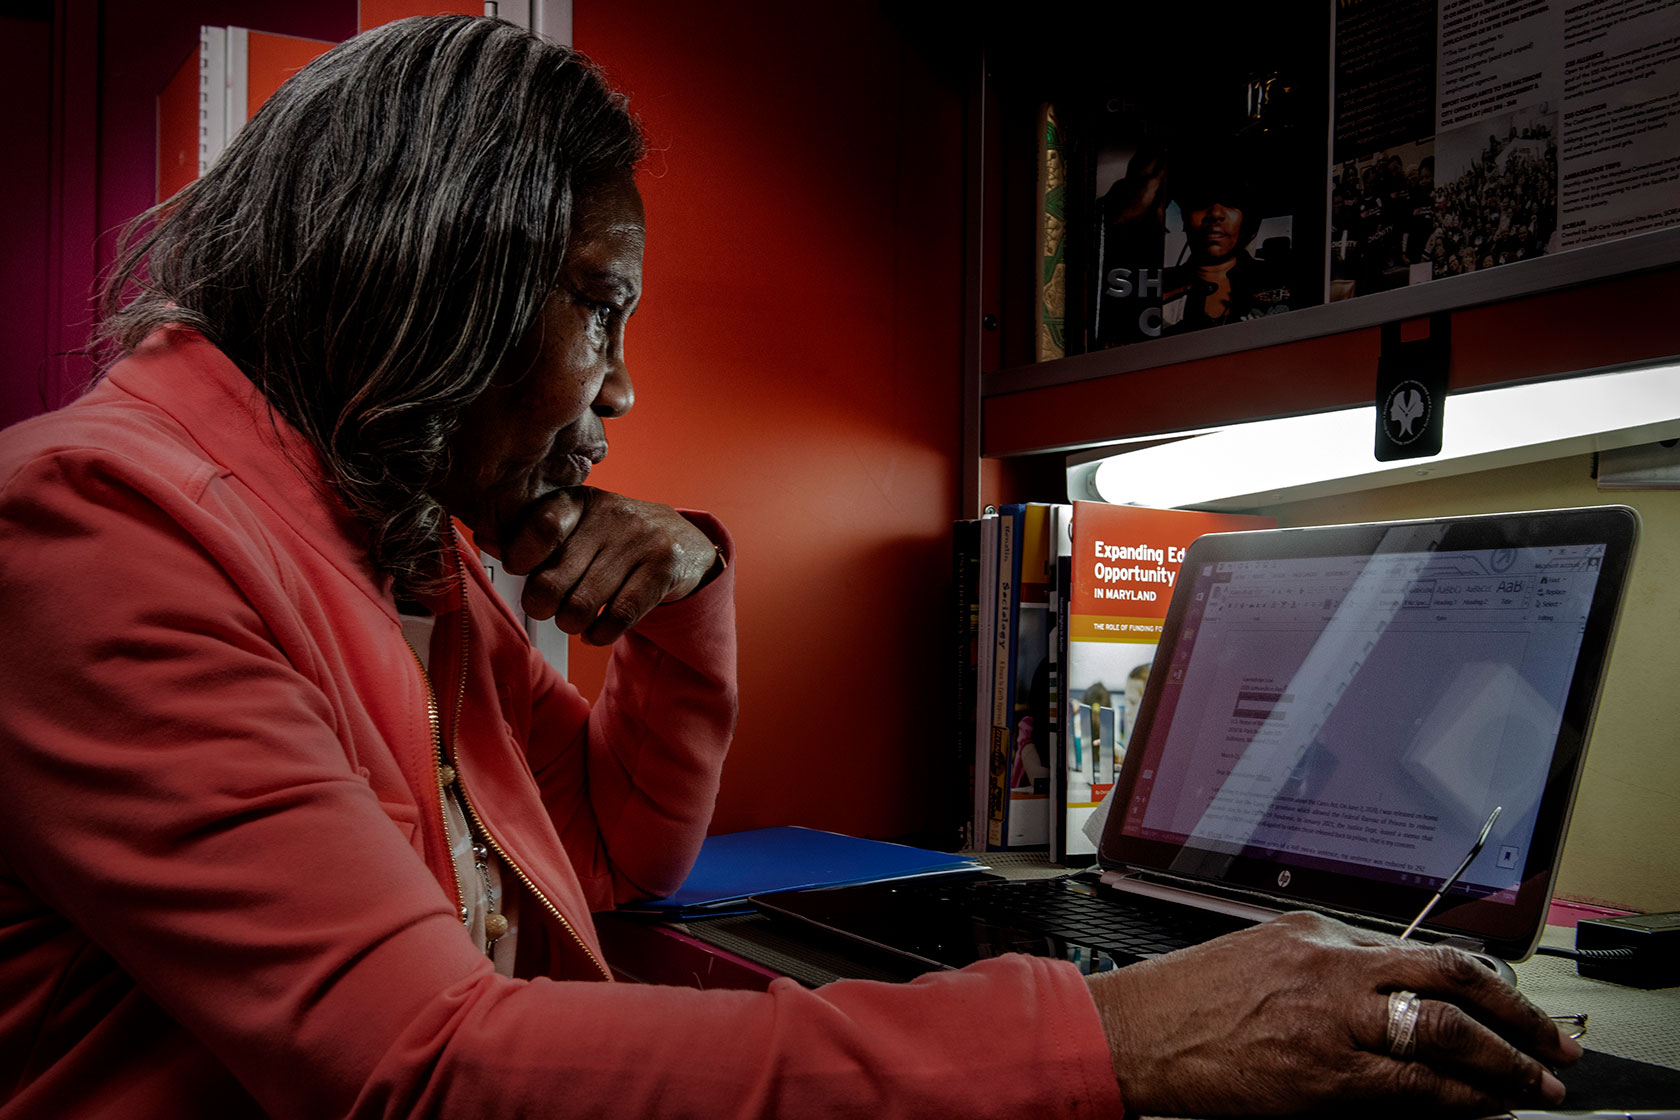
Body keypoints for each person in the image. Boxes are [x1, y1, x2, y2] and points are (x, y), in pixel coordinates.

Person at [0, 15, 1581, 1119]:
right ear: (437, 281)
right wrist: (1113, 1036)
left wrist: (690, 591)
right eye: (599, 309)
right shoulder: (102, 527)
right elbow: (423, 1071)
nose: (621, 394)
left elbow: (622, 850)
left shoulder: (395, 547)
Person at [1159, 147, 1292, 334]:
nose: (1215, 214)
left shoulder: (1280, 280)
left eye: (1230, 203)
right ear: (1185, 217)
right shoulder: (1156, 287)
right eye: (1201, 203)